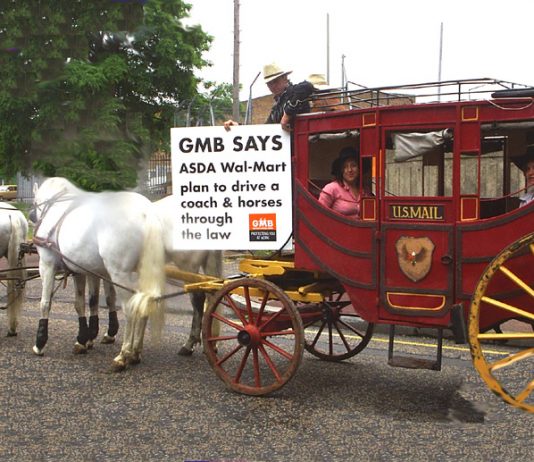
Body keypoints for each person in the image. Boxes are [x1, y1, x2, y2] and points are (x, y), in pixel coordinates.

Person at [224, 62, 314, 131]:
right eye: (269, 83)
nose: (273, 86)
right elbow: (265, 129)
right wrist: (238, 127)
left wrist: (287, 115)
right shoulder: (276, 109)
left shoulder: (294, 92)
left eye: (275, 81)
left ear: (285, 78)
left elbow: (307, 86)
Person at [319, 147, 364, 219]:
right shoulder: (331, 188)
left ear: (359, 168)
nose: (349, 170)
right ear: (341, 170)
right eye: (345, 167)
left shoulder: (365, 190)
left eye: (353, 165)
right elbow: (319, 214)